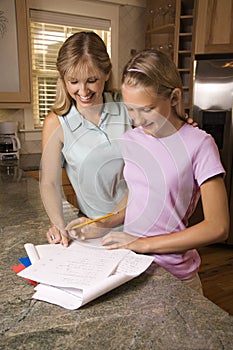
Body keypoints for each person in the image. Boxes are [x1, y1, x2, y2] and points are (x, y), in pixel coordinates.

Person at [99, 49, 229, 294]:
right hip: (131, 266)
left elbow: (218, 227)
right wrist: (106, 222)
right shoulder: (132, 140)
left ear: (174, 97)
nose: (137, 120)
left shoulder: (199, 143)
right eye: (130, 109)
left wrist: (142, 244)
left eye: (147, 109)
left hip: (174, 275)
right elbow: (142, 198)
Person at [41, 31, 132, 247]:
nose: (83, 91)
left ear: (107, 73)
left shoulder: (128, 107)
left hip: (140, 225)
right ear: (63, 79)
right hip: (93, 233)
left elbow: (146, 176)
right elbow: (50, 182)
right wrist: (58, 224)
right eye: (73, 81)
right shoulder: (57, 123)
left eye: (92, 80)